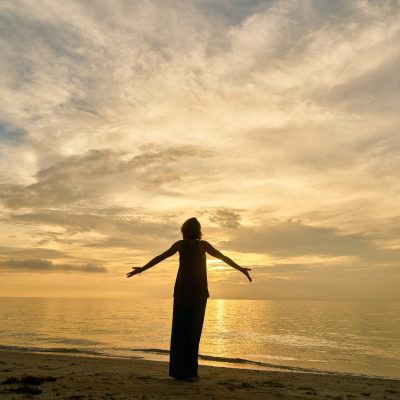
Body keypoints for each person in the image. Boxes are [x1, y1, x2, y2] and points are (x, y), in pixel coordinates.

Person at [126, 217, 252, 381]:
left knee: (179, 333)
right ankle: (190, 373)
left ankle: (178, 372)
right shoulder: (203, 245)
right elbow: (223, 258)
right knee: (193, 334)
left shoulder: (180, 244)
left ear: (184, 230)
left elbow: (160, 257)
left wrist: (142, 269)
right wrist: (241, 269)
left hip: (182, 293)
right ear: (198, 231)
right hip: (198, 294)